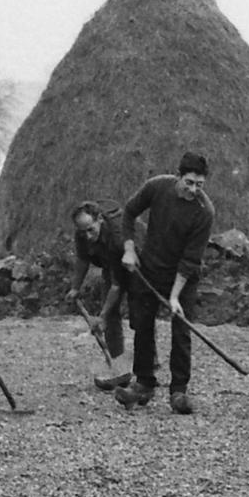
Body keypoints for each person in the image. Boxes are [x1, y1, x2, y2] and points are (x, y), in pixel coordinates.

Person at [113, 152, 215, 415]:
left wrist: (174, 297)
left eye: (199, 185)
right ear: (178, 176)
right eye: (189, 182)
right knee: (143, 325)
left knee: (181, 331)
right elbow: (129, 213)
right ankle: (143, 384)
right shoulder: (157, 187)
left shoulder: (204, 212)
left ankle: (179, 390)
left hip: (183, 277)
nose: (193, 189)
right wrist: (129, 249)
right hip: (149, 269)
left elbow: (190, 260)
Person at [66, 200, 130, 366]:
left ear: (100, 219)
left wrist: (101, 317)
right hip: (111, 265)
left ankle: (149, 364)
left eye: (90, 230)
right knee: (111, 314)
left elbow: (117, 285)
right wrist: (75, 287)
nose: (87, 236)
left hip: (137, 264)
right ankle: (116, 362)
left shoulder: (116, 237)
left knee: (141, 312)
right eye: (82, 232)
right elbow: (82, 259)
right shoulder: (82, 233)